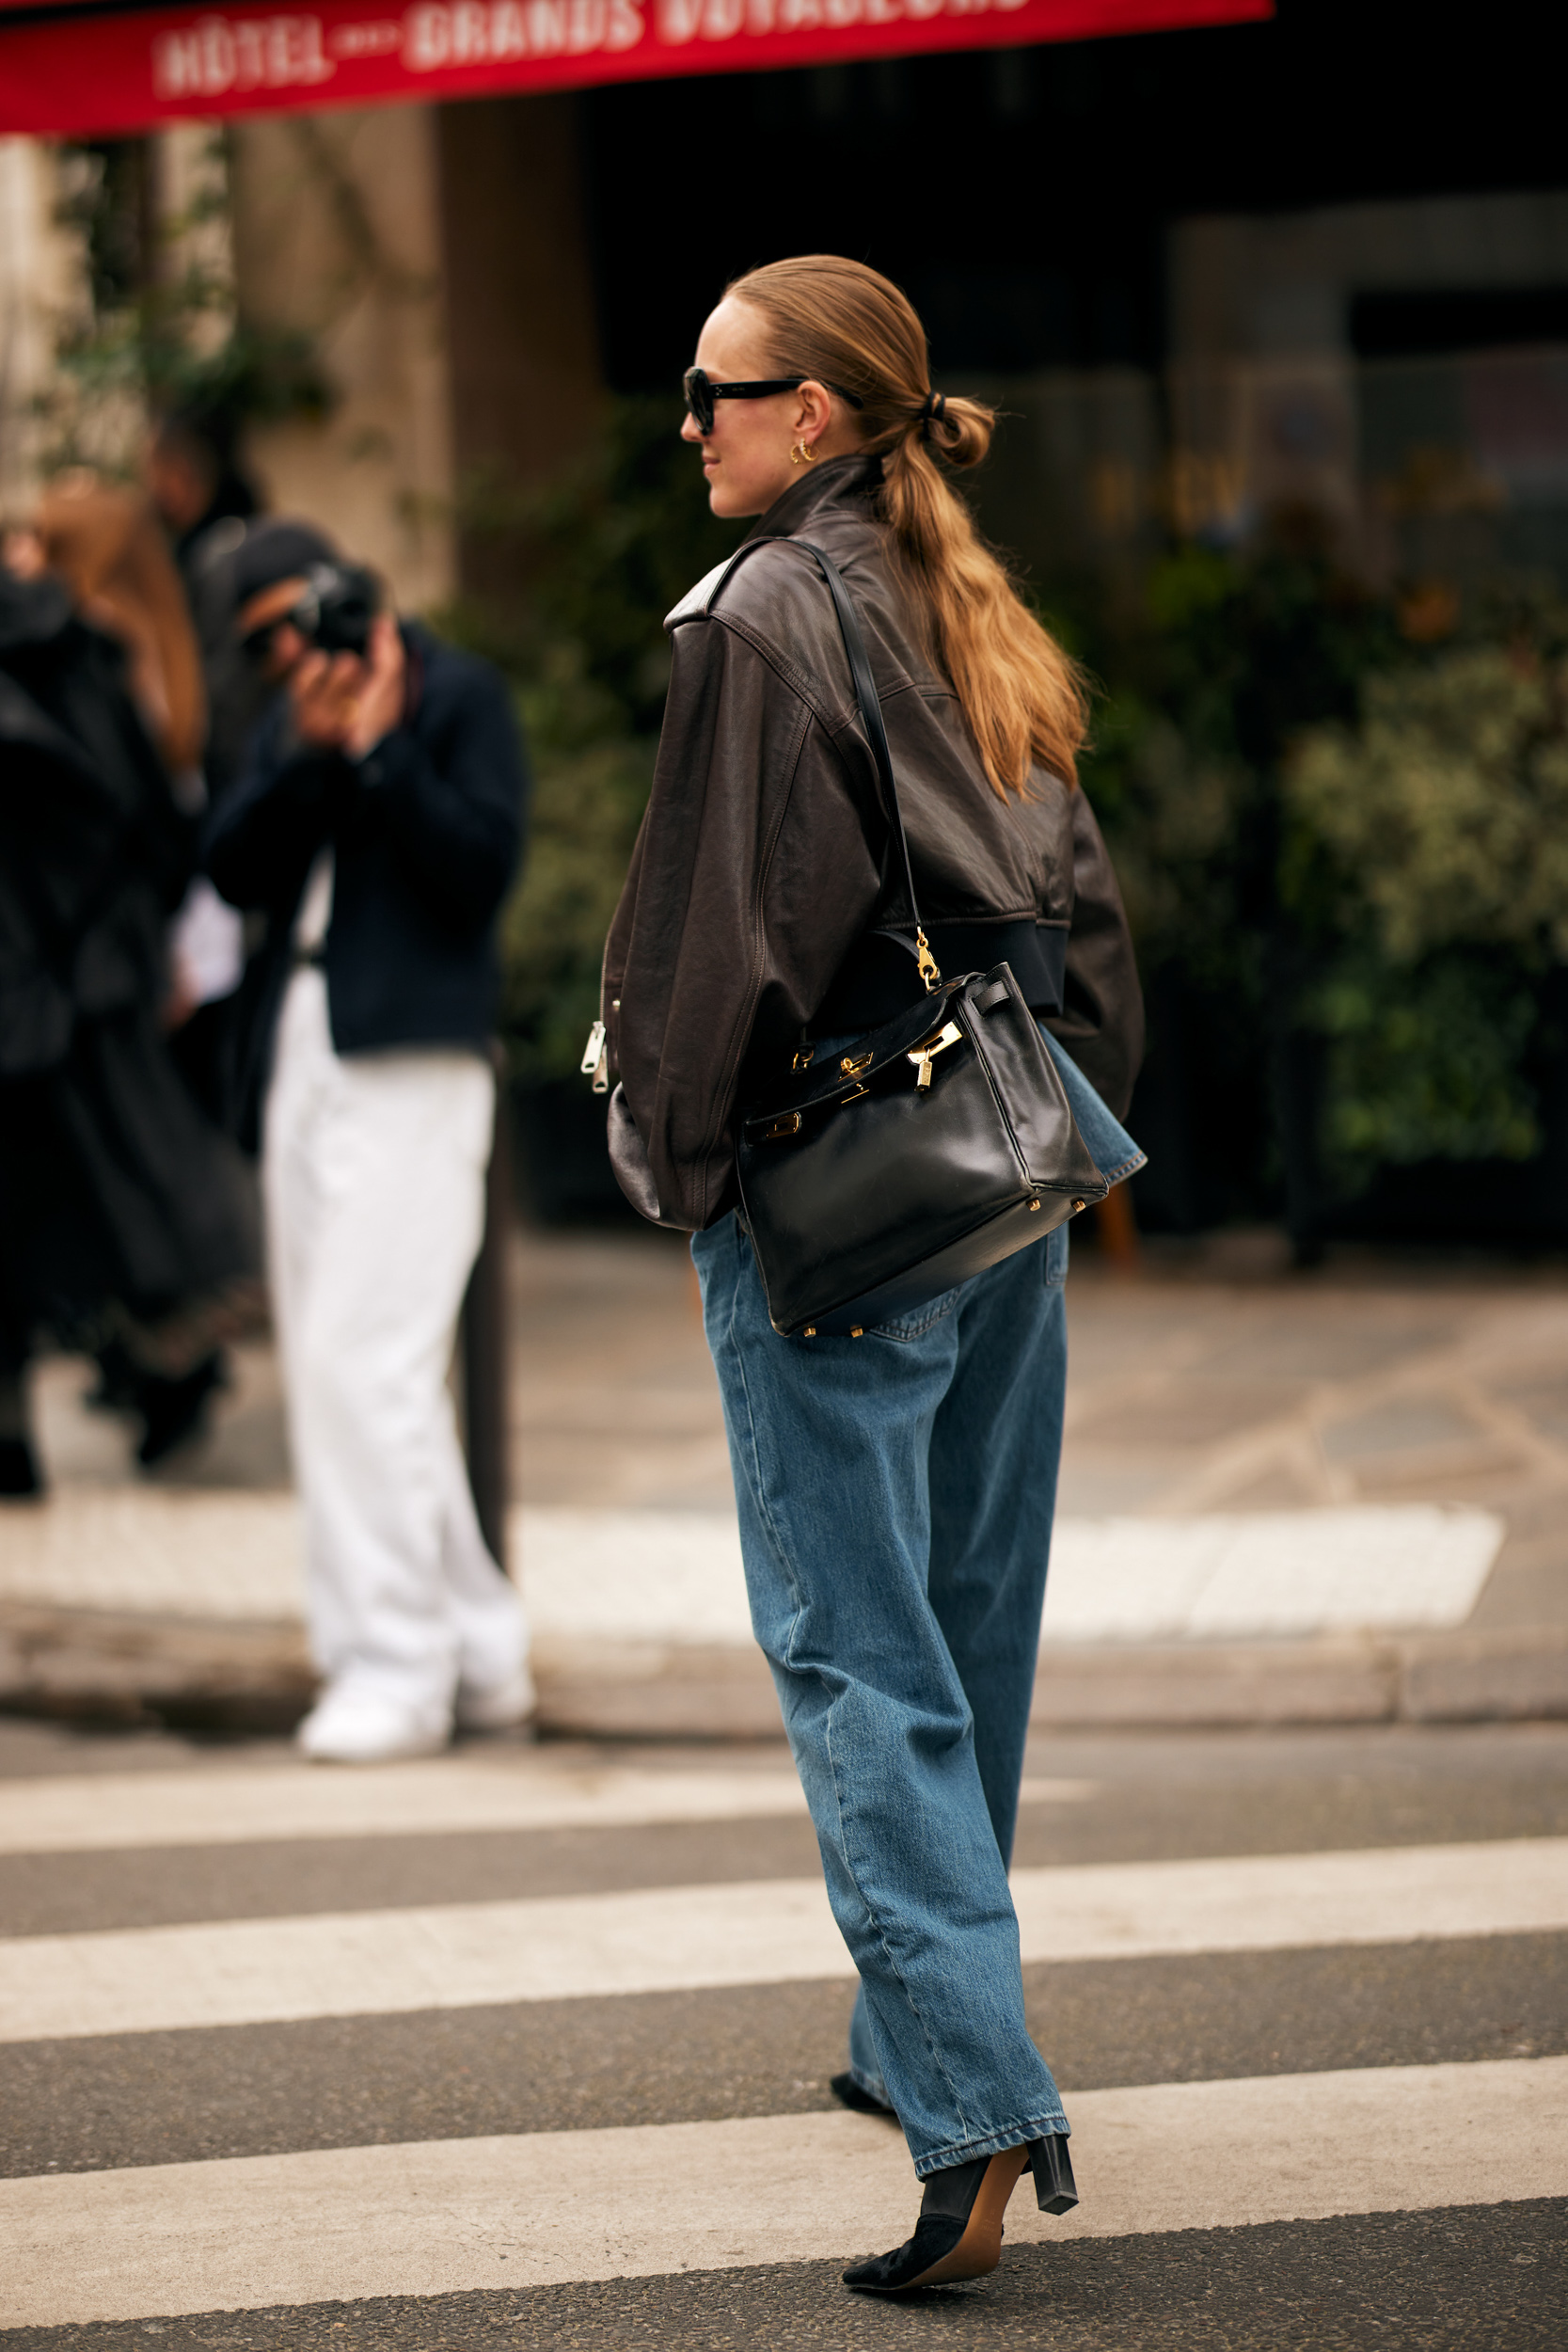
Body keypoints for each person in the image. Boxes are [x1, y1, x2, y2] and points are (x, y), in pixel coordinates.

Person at [596, 257, 1144, 2294]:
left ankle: (972, 2102)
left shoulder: (762, 611)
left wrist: (670, 1161)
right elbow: (1078, 911)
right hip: (996, 1170)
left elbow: (705, 935)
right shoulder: (959, 592)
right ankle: (896, 2027)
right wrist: (1060, 1127)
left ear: (811, 414)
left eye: (712, 390)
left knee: (853, 1644)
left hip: (834, 1195)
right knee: (965, 1618)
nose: (690, 423)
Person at [204, 523, 533, 1763]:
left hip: (412, 1054)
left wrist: (386, 750)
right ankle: (478, 1648)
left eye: (300, 617)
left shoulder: (456, 695)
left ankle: (397, 1663)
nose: (292, 649)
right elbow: (230, 866)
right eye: (260, 643)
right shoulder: (289, 719)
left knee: (367, 1362)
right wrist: (312, 750)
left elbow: (475, 876)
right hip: (298, 1044)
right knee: (340, 1368)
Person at [0, 520, 261, 1493]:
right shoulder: (86, 648)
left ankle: (33, 1431)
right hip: (99, 974)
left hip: (54, 976)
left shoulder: (83, 643)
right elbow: (152, 813)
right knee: (123, 1191)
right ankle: (166, 1374)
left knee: (66, 1203)